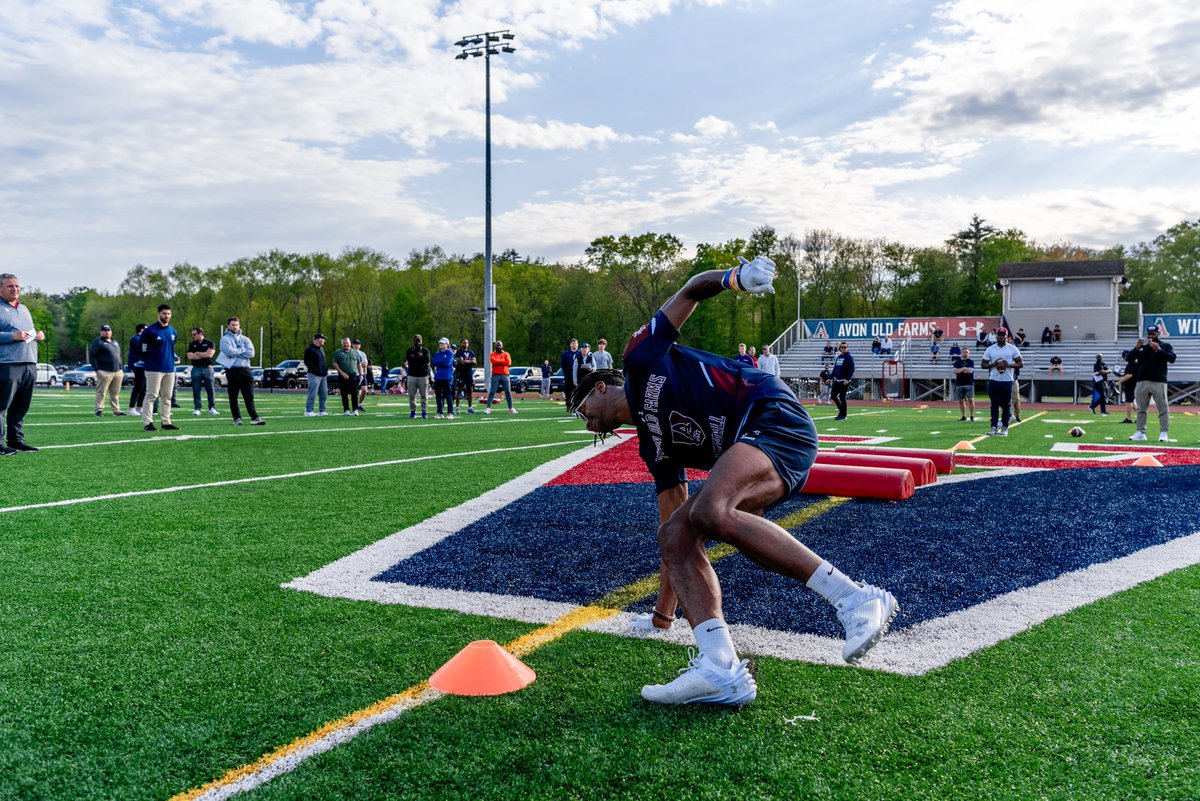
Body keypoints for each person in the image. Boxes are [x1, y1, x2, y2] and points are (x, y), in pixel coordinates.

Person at [570, 255, 897, 707]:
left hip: (773, 417)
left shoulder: (640, 358)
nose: (590, 426)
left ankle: (855, 599)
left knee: (711, 509)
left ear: (603, 386)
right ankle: (720, 668)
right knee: (676, 534)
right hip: (758, 449)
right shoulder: (653, 446)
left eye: (585, 411)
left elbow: (689, 291)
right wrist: (662, 617)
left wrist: (734, 279)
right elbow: (674, 536)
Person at [0, 273, 45, 454]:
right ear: (1, 289)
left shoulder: (24, 308)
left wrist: (38, 336)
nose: (15, 289)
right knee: (1, 405)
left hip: (29, 362)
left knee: (21, 406)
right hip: (7, 364)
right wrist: (12, 336)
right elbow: (13, 335)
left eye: (17, 286)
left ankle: (16, 440)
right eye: (10, 286)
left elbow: (27, 333)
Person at [1129, 324, 1175, 443]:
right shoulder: (1143, 346)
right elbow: (1129, 359)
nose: (1151, 335)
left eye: (1153, 333)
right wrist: (1136, 348)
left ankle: (1163, 433)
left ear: (1158, 333)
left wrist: (1158, 350)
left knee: (1163, 409)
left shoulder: (1165, 345)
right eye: (1149, 333)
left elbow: (1172, 358)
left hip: (1158, 381)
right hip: (1142, 381)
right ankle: (1140, 432)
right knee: (1141, 409)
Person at [138, 304, 180, 432]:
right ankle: (147, 423)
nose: (166, 316)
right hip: (154, 369)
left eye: (168, 314)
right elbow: (142, 350)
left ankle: (166, 422)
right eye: (164, 313)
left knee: (167, 397)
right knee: (151, 395)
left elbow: (171, 349)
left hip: (169, 368)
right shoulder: (150, 331)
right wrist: (151, 362)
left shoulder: (173, 331)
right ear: (158, 314)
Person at [216, 317, 265, 426]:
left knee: (249, 396)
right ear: (228, 326)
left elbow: (251, 354)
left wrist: (237, 352)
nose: (235, 327)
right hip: (232, 370)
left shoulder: (245, 339)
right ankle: (237, 418)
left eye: (237, 325)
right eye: (233, 325)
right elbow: (229, 351)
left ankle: (255, 417)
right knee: (233, 396)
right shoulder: (225, 339)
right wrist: (243, 351)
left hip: (246, 370)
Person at [981, 327, 1023, 436]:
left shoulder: (1012, 348)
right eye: (999, 334)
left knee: (1006, 405)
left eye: (1003, 334)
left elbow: (1020, 363)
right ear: (996, 336)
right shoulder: (990, 349)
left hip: (1007, 380)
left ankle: (1004, 428)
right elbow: (983, 365)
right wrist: (994, 364)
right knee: (994, 404)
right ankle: (993, 427)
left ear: (1006, 336)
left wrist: (1008, 364)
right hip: (994, 380)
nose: (1000, 336)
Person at [88, 324, 126, 417]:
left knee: (115, 393)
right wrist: (97, 370)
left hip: (117, 371)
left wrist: (120, 368)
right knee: (101, 392)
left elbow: (118, 355)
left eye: (108, 330)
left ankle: (116, 410)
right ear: (101, 332)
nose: (107, 332)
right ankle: (98, 410)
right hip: (105, 371)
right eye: (104, 330)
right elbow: (92, 356)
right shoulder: (98, 342)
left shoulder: (114, 341)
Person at [186, 327, 219, 416]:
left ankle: (212, 408)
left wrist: (197, 353)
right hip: (196, 368)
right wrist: (203, 354)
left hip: (208, 368)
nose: (193, 336)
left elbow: (209, 354)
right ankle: (197, 408)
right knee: (196, 389)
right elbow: (190, 356)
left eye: (194, 334)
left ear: (200, 333)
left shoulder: (209, 343)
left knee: (210, 389)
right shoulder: (192, 344)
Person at [485, 340, 516, 414]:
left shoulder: (506, 354)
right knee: (492, 392)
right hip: (495, 375)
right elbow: (493, 361)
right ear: (495, 346)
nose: (498, 346)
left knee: (508, 392)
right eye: (497, 345)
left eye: (500, 345)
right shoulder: (492, 354)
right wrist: (503, 361)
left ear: (502, 346)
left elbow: (509, 363)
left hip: (505, 375)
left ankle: (510, 408)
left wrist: (498, 361)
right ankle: (488, 408)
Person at [405, 335, 431, 419]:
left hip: (423, 375)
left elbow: (426, 360)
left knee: (424, 395)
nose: (418, 342)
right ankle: (413, 411)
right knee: (412, 395)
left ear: (422, 341)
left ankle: (424, 411)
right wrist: (419, 357)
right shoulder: (409, 350)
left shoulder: (425, 350)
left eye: (419, 340)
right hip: (412, 375)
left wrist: (418, 357)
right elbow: (410, 360)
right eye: (416, 340)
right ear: (413, 341)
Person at [333, 337, 360, 416]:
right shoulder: (338, 352)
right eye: (344, 343)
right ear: (342, 344)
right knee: (344, 394)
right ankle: (346, 410)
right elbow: (334, 363)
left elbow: (359, 364)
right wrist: (342, 373)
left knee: (354, 393)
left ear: (350, 343)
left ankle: (355, 409)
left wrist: (361, 374)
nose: (346, 344)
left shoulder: (355, 352)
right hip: (342, 376)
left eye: (347, 343)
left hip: (353, 375)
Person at [303, 333, 329, 417]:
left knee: (324, 393)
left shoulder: (321, 349)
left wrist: (325, 370)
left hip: (323, 375)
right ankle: (308, 410)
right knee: (313, 393)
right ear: (319, 339)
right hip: (314, 375)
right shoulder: (309, 349)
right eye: (323, 339)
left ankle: (322, 410)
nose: (324, 341)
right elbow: (307, 362)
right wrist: (316, 370)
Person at [431, 337, 456, 419]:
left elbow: (447, 363)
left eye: (443, 343)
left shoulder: (450, 353)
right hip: (438, 377)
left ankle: (450, 412)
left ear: (447, 344)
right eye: (440, 343)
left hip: (447, 377)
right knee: (438, 396)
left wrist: (439, 361)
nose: (441, 344)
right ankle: (439, 412)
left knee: (448, 395)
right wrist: (441, 360)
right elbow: (433, 362)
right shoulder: (437, 353)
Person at [830, 341, 854, 420]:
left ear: (847, 348)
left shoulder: (849, 357)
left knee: (842, 397)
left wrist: (848, 379)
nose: (843, 348)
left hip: (844, 380)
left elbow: (852, 369)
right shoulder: (839, 357)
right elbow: (835, 368)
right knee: (833, 395)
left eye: (845, 347)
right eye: (842, 347)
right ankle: (842, 412)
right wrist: (830, 378)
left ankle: (843, 415)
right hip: (837, 380)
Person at [1114, 348, 1138, 424]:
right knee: (1132, 401)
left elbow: (1129, 375)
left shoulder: (1132, 363)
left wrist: (1119, 382)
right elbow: (1128, 374)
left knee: (1129, 401)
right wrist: (1120, 376)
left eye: (1124, 356)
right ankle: (1141, 416)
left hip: (1131, 384)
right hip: (1131, 384)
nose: (1124, 358)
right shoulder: (1132, 363)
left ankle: (1129, 418)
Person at [127, 323, 147, 414]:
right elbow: (142, 350)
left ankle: (139, 407)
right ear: (141, 330)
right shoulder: (136, 339)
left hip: (144, 365)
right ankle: (131, 407)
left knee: (144, 386)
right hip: (138, 365)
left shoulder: (143, 339)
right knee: (139, 386)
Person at [952, 346, 976, 422]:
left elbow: (970, 371)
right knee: (961, 401)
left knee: (971, 400)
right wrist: (963, 369)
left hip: (969, 383)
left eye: (966, 352)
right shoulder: (957, 362)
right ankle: (963, 416)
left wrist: (960, 370)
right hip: (960, 384)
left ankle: (972, 416)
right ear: (961, 353)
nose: (965, 353)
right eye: (964, 352)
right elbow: (955, 371)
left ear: (969, 353)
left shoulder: (971, 361)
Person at [454, 338, 478, 414]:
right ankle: (457, 407)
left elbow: (474, 362)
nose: (465, 344)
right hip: (461, 373)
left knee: (470, 390)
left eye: (467, 343)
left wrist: (466, 361)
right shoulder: (458, 352)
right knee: (459, 390)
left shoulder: (471, 352)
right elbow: (462, 362)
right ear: (461, 344)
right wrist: (469, 361)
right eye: (464, 343)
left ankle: (470, 407)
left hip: (469, 373)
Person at [560, 338, 582, 405]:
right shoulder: (565, 354)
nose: (574, 345)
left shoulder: (580, 353)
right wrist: (566, 373)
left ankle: (577, 405)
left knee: (578, 391)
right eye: (573, 343)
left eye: (576, 343)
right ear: (570, 345)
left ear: (578, 345)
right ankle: (568, 406)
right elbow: (562, 364)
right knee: (568, 391)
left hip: (578, 376)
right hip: (568, 376)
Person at [352, 339, 369, 412]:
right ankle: (354, 406)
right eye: (355, 344)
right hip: (354, 374)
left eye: (358, 344)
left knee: (364, 390)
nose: (356, 345)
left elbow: (365, 364)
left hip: (362, 374)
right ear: (352, 345)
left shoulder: (362, 354)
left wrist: (358, 364)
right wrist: (360, 364)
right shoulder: (350, 353)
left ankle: (359, 404)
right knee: (354, 391)